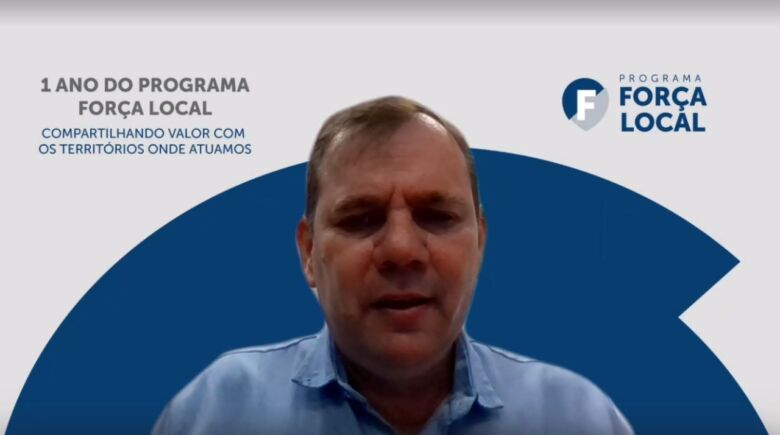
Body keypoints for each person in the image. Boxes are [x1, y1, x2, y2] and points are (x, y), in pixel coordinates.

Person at [152, 96, 633, 435]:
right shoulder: (214, 412)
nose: (402, 249)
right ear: (308, 252)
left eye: (437, 216)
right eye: (360, 219)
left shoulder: (579, 418)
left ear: (480, 242)